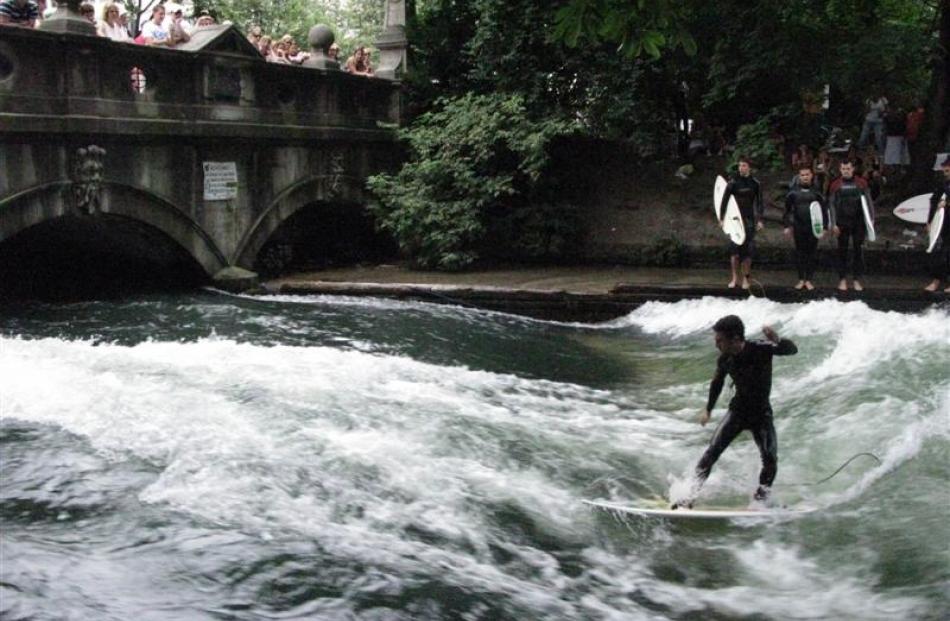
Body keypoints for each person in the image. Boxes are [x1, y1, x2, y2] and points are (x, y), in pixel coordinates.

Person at [672, 315, 797, 509]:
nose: (717, 345)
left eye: (719, 341)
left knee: (770, 459)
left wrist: (777, 339)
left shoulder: (761, 348)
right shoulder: (725, 359)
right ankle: (689, 497)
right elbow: (717, 383)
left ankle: (760, 502)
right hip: (738, 412)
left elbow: (791, 350)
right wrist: (708, 409)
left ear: (736, 339)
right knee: (711, 453)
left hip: (761, 414)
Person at [719, 156, 764, 289]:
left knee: (748, 251)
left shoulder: (755, 183)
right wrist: (722, 219)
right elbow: (724, 202)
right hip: (734, 221)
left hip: (749, 220)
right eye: (739, 166)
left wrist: (760, 219)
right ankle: (734, 278)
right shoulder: (733, 183)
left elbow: (760, 203)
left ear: (749, 167)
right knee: (734, 251)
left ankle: (745, 278)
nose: (741, 168)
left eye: (744, 165)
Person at [829, 160, 874, 291]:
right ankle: (842, 279)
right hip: (842, 223)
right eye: (843, 169)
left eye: (848, 168)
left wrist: (870, 220)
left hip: (858, 222)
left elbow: (869, 201)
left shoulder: (862, 183)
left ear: (853, 169)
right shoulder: (835, 184)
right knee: (842, 251)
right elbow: (831, 205)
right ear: (840, 169)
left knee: (857, 251)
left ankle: (856, 280)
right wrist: (833, 223)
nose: (846, 171)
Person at [784, 166, 828, 291]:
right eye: (802, 175)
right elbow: (787, 211)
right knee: (800, 253)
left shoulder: (816, 192)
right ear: (799, 176)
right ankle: (801, 279)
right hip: (798, 226)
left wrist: (824, 227)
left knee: (811, 253)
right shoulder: (793, 193)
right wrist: (787, 226)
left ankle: (808, 279)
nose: (805, 177)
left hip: (814, 227)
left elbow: (824, 211)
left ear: (811, 176)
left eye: (807, 174)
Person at [923, 156, 950, 292]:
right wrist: (929, 221)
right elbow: (934, 201)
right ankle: (936, 280)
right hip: (943, 223)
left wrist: (948, 203)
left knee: (947, 252)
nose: (945, 172)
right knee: (937, 253)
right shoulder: (943, 184)